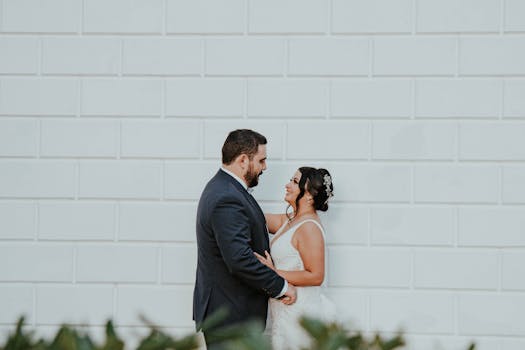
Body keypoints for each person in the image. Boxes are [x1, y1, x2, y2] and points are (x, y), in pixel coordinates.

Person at [193, 129, 297, 349]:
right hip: (230, 318)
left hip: (231, 314)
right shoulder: (227, 197)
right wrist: (281, 286)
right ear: (242, 160)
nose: (265, 167)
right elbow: (239, 258)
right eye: (261, 160)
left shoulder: (227, 190)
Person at [255, 166, 336, 350]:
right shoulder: (290, 219)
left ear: (309, 195)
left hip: (299, 314)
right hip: (284, 311)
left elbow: (316, 276)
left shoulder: (310, 228)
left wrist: (273, 273)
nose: (287, 185)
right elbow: (256, 218)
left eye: (294, 182)